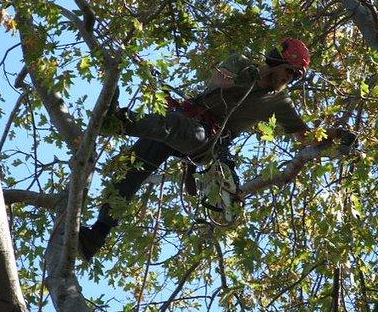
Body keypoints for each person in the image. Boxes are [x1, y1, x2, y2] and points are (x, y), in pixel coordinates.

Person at [78, 38, 346, 261]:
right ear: (278, 61)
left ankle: (116, 121)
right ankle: (97, 236)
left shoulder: (280, 101)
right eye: (290, 71)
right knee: (131, 171)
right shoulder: (242, 62)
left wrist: (336, 134)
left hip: (208, 138)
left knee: (169, 126)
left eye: (295, 77)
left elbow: (306, 137)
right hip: (187, 117)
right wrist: (246, 77)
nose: (289, 79)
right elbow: (219, 81)